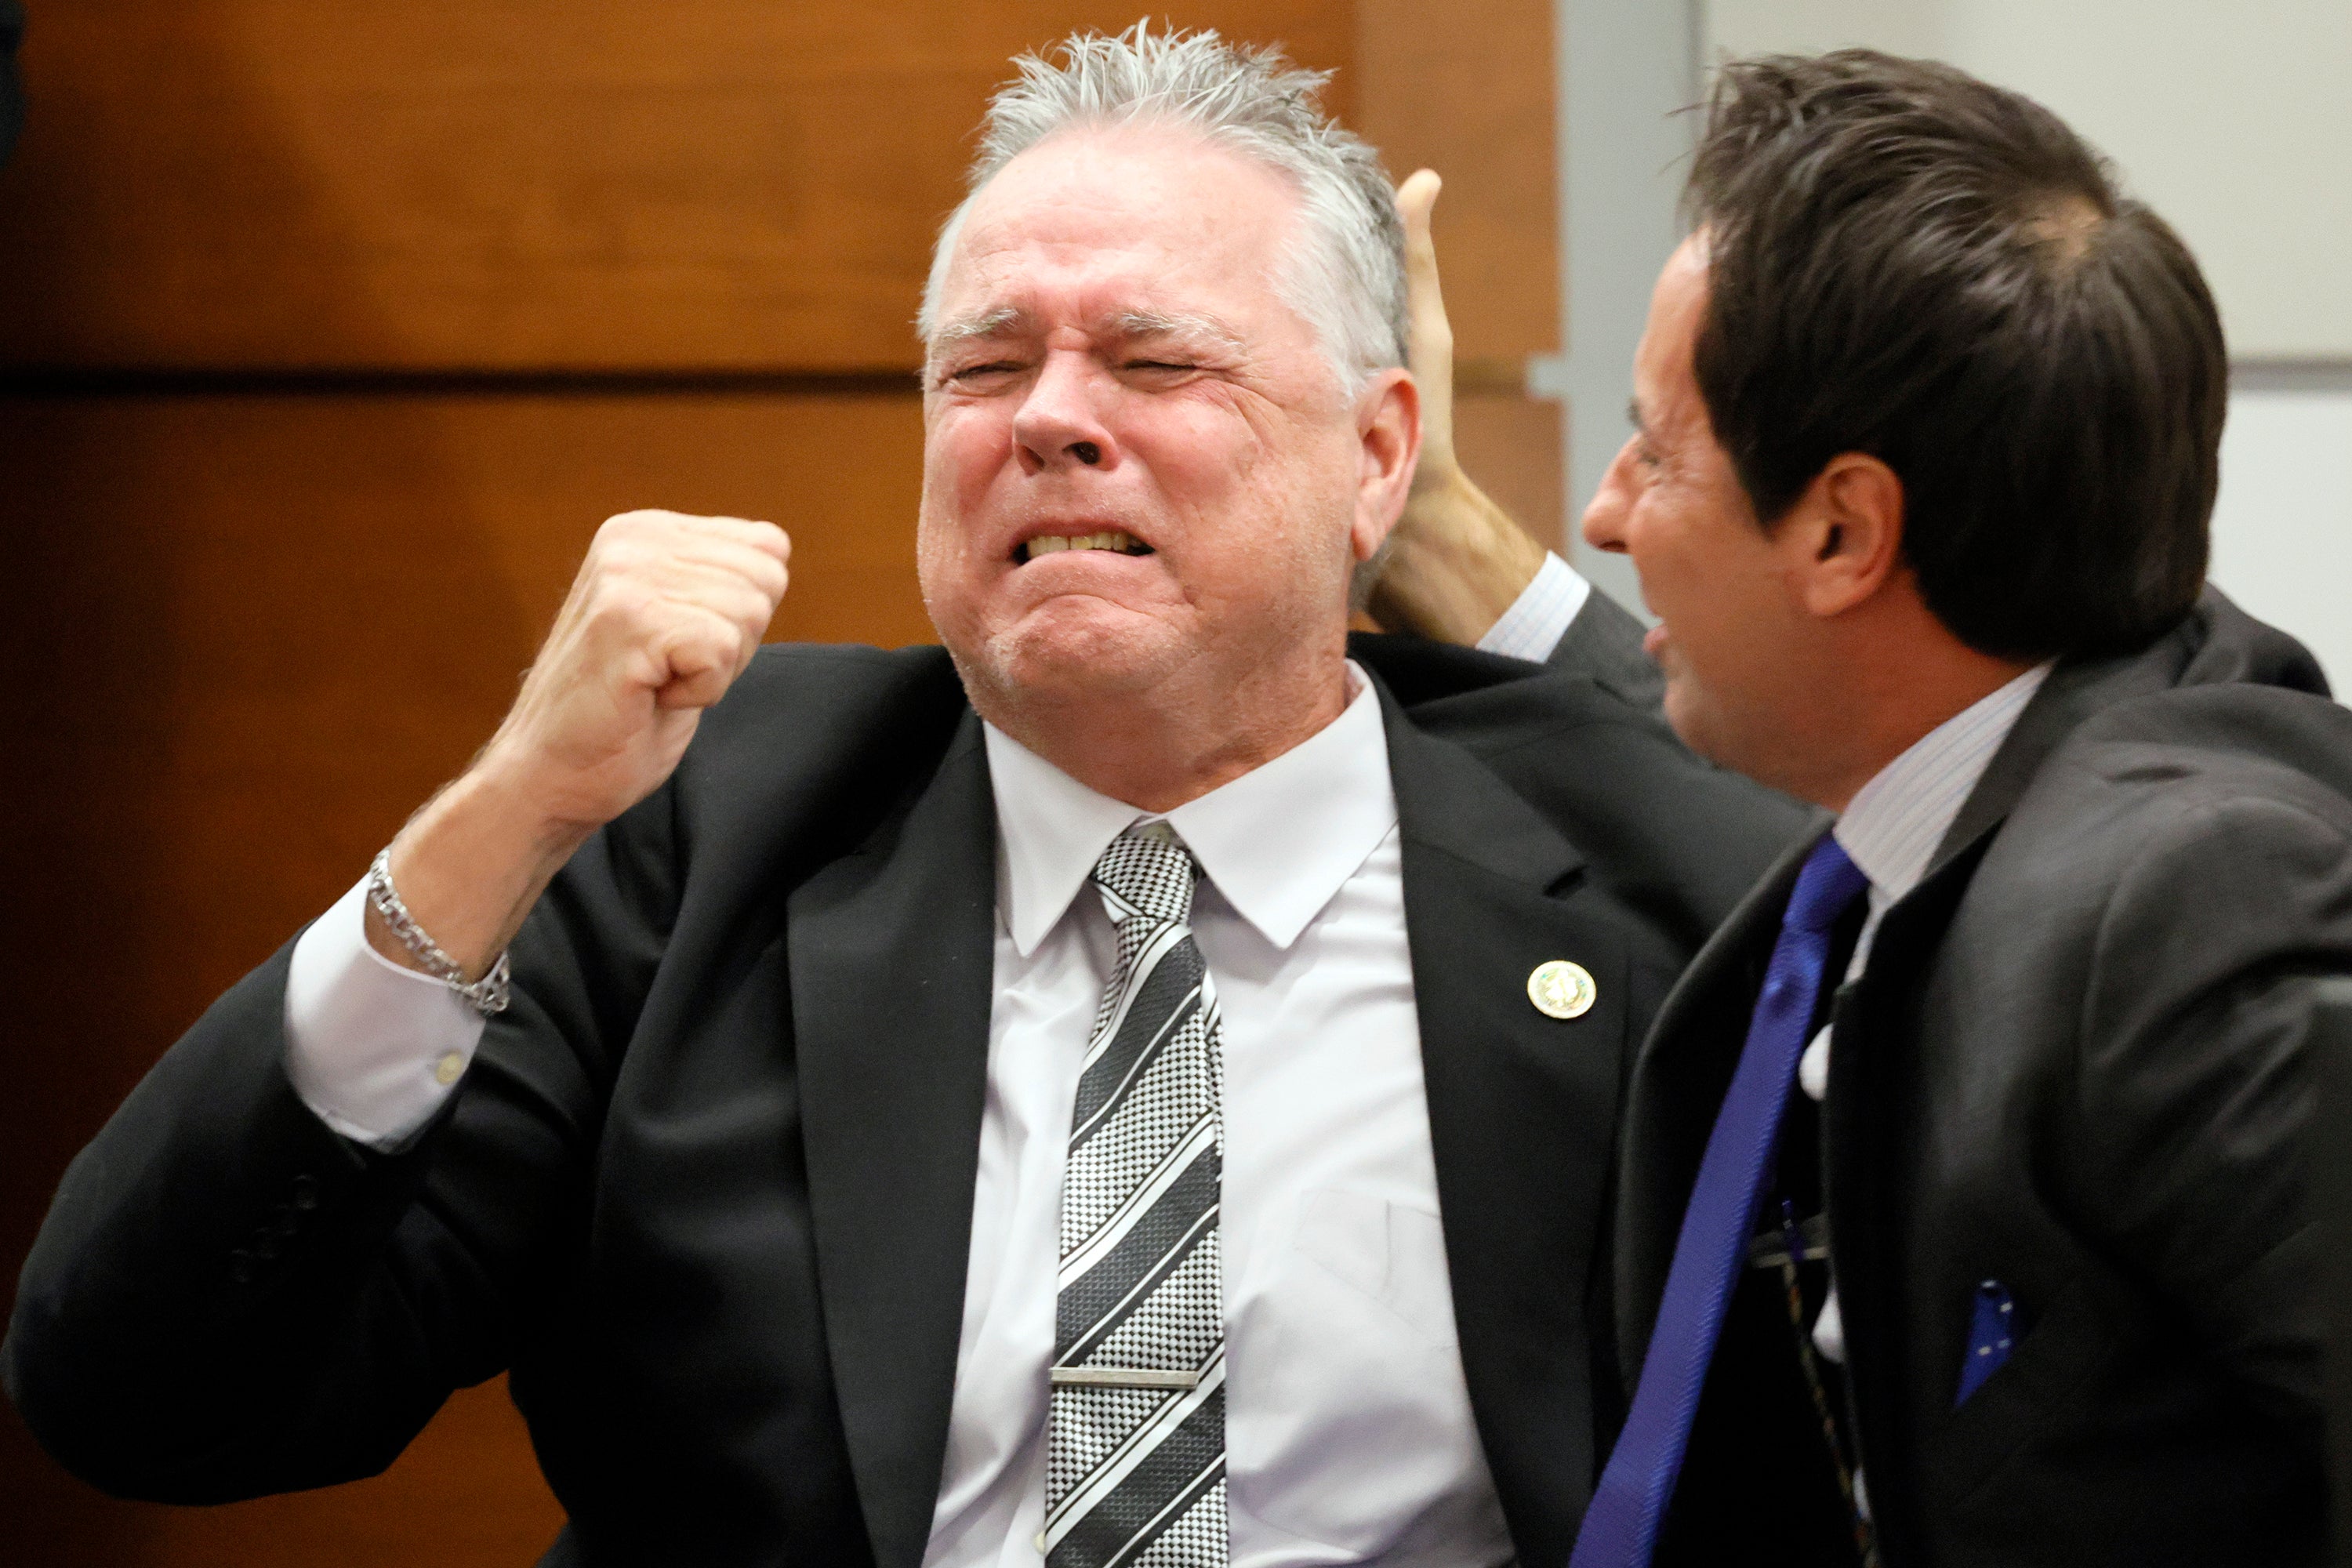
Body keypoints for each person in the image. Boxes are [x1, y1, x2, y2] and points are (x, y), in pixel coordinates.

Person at [2, 27, 1801, 1568]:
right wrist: (504, 815)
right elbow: (145, 1395)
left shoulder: (1639, 874)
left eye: (1156, 362)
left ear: (1380, 454)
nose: (1050, 419)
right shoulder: (707, 832)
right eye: (985, 366)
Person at [1380, 48, 2352, 1568]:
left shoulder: (2191, 905)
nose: (1606, 514)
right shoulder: (1991, 776)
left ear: (1844, 528)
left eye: (1657, 447)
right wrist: (1442, 539)